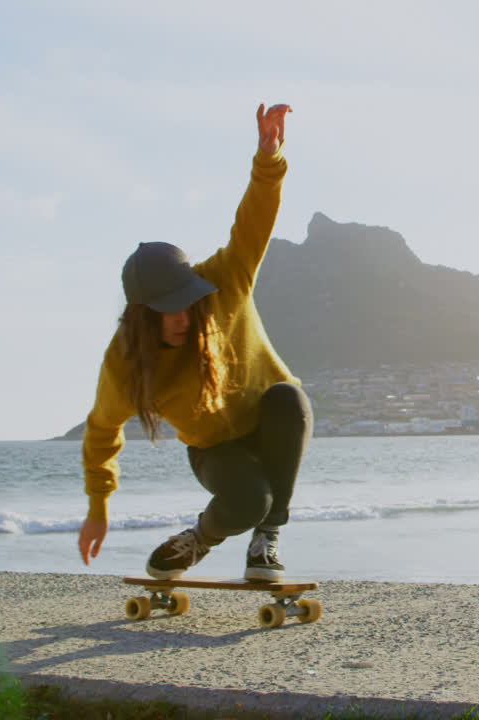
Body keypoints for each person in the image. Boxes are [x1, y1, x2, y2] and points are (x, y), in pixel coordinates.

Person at [77, 102, 311, 582]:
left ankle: (266, 540)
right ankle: (200, 538)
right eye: (169, 310)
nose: (184, 316)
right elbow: (102, 430)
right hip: (214, 450)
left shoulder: (225, 280)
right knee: (250, 499)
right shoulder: (126, 360)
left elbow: (254, 220)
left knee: (289, 399)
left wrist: (268, 159)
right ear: (142, 316)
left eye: (187, 301)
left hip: (271, 423)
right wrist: (98, 508)